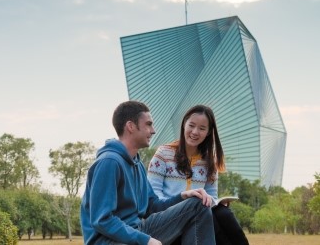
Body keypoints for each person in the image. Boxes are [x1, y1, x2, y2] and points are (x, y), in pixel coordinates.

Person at [80, 100, 215, 245]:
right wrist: (145, 240)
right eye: (149, 124)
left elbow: (152, 206)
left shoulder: (136, 163)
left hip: (138, 230)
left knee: (197, 204)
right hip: (108, 241)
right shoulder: (109, 162)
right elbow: (102, 220)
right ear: (131, 126)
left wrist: (182, 196)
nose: (153, 130)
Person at [147, 104, 249, 245]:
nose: (195, 132)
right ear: (184, 125)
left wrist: (216, 202)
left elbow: (211, 196)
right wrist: (182, 204)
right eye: (192, 125)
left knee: (223, 213)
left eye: (202, 128)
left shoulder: (209, 161)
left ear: (208, 132)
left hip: (198, 214)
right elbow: (153, 196)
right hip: (167, 218)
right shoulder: (164, 154)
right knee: (209, 216)